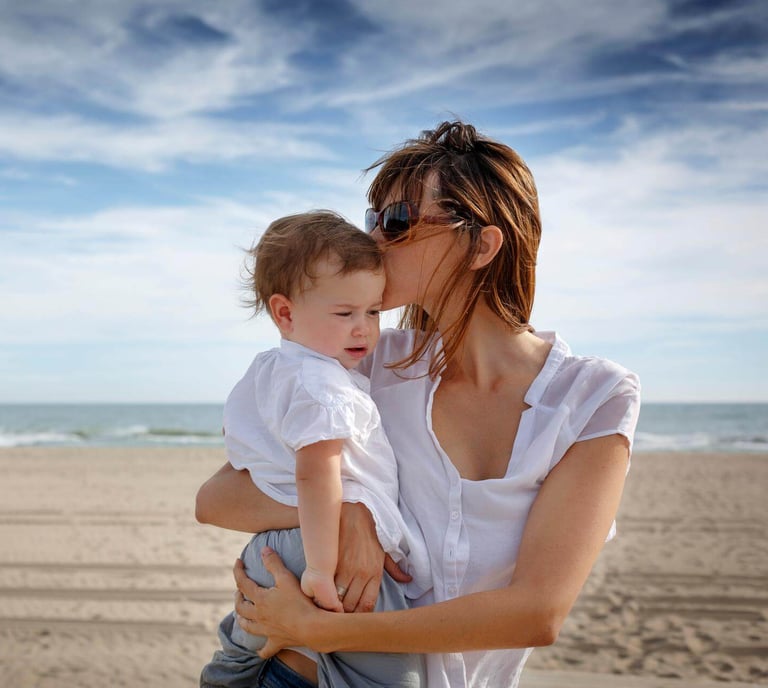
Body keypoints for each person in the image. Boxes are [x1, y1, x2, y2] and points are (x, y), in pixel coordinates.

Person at [196, 121, 641, 688]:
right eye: (373, 220)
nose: (374, 240)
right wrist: (356, 509)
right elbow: (218, 499)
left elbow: (537, 612)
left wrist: (327, 630)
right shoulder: (359, 362)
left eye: (399, 221)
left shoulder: (593, 397)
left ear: (482, 244)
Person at [199, 211, 427, 688]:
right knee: (390, 675)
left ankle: (227, 673)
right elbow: (317, 473)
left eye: (372, 312)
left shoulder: (271, 370)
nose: (364, 329)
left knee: (246, 642)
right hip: (322, 545)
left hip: (272, 542)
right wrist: (323, 567)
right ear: (285, 314)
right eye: (345, 314)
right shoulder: (324, 386)